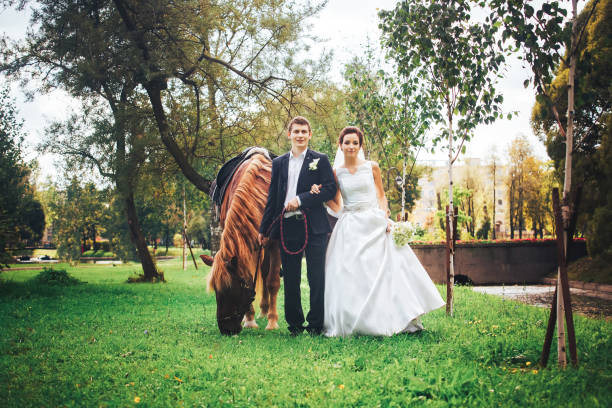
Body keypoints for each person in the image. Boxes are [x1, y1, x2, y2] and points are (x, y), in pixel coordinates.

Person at [310, 126, 445, 337]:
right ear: (340, 145)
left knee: (385, 271)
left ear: (360, 146)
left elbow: (381, 196)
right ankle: (353, 320)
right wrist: (321, 195)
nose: (351, 146)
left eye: (355, 143)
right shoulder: (336, 173)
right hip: (350, 225)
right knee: (350, 273)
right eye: (347, 142)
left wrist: (385, 218)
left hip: (373, 221)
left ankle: (395, 318)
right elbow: (336, 203)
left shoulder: (372, 167)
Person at [258, 116, 337, 336]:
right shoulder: (278, 163)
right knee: (291, 278)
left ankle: (315, 324)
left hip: (314, 226)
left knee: (316, 277)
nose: (300, 135)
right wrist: (263, 230)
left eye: (304, 131)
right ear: (289, 134)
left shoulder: (320, 160)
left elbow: (330, 189)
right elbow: (273, 199)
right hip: (287, 227)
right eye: (296, 131)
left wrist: (301, 199)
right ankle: (294, 324)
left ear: (310, 135)